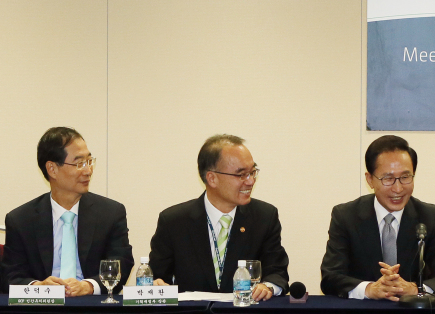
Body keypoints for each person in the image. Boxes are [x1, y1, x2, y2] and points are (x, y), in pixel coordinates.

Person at [149, 134, 289, 301]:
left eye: (252, 172)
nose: (250, 181)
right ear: (212, 178)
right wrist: (156, 285)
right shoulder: (173, 221)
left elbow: (277, 271)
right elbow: (156, 277)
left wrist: (268, 287)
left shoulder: (264, 216)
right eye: (241, 174)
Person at [320, 135, 435, 300]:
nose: (398, 188)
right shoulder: (346, 216)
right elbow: (330, 277)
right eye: (388, 179)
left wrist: (415, 289)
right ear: (370, 179)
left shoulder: (430, 217)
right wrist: (369, 289)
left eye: (405, 177)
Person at [2, 127, 134, 296]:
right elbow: (10, 275)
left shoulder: (110, 213)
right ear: (52, 169)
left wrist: (89, 286)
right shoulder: (21, 220)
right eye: (79, 163)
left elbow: (121, 263)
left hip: (92, 307)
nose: (88, 171)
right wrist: (39, 287)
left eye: (89, 161)